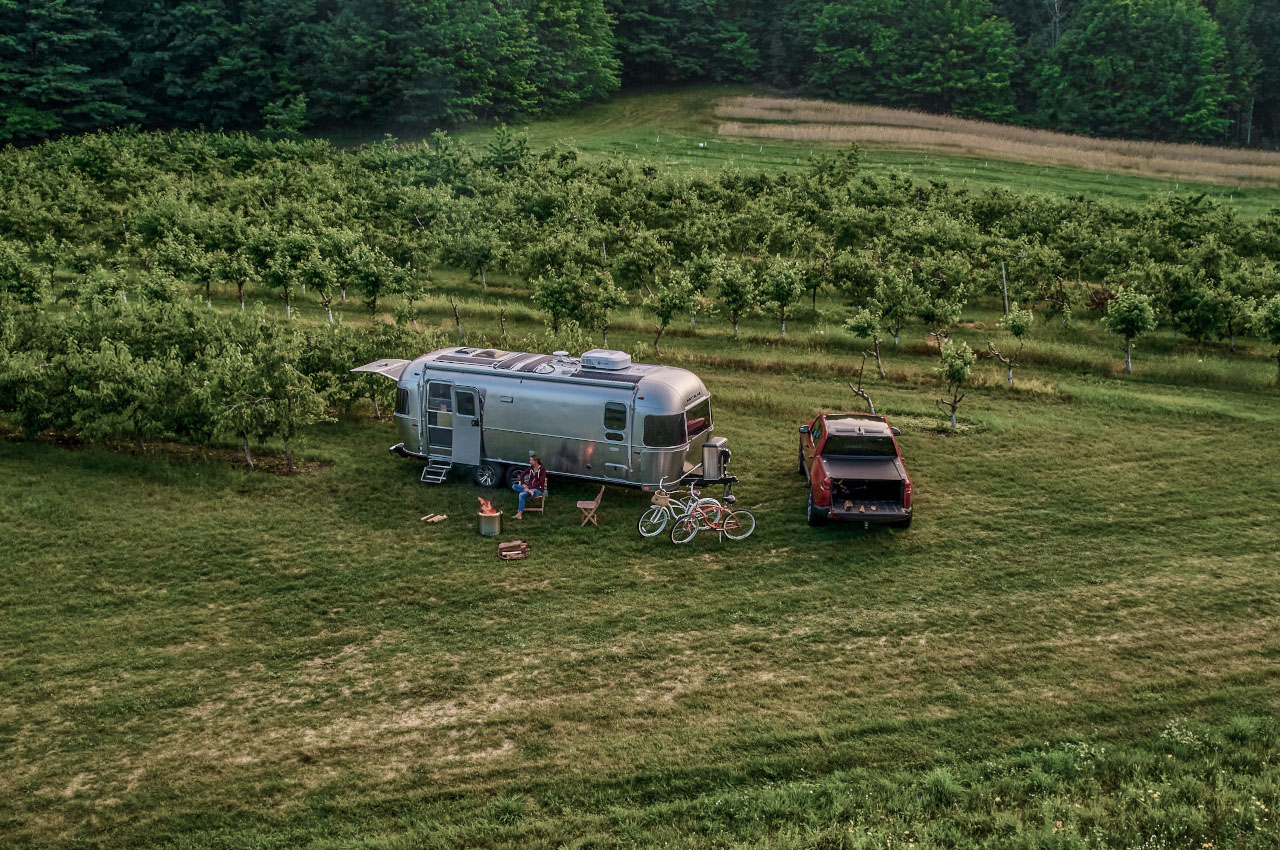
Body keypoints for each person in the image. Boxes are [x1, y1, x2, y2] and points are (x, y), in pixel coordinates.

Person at [512, 455, 545, 519]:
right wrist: (523, 484)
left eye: (531, 460)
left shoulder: (542, 469)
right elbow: (522, 475)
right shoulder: (531, 468)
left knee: (521, 495)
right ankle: (529, 492)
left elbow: (540, 482)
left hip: (538, 489)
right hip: (530, 489)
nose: (530, 461)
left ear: (536, 461)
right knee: (514, 486)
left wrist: (529, 488)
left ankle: (519, 514)